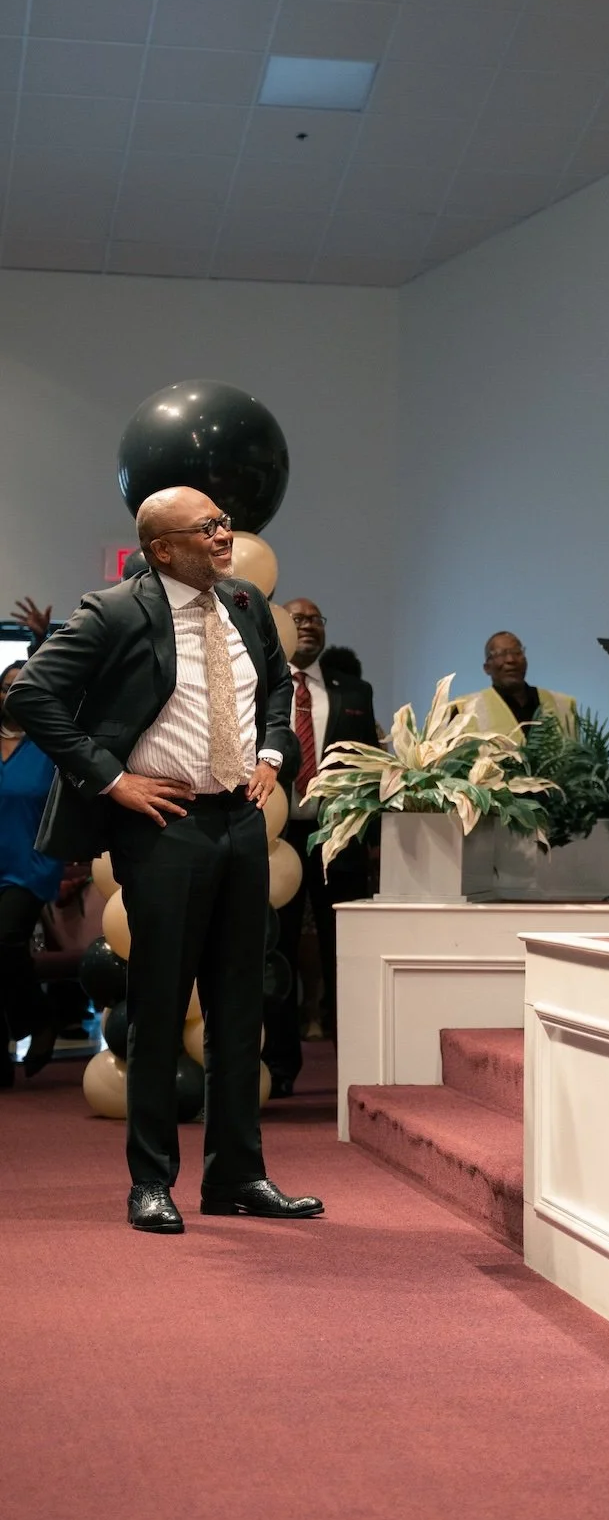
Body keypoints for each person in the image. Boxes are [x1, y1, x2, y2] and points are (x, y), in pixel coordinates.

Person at [8, 488, 322, 1234]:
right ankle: (151, 1182)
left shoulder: (245, 602)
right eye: (207, 527)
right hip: (164, 827)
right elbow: (34, 695)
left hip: (241, 820)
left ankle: (237, 1176)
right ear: (162, 550)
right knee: (157, 1008)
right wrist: (111, 778)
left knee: (239, 1008)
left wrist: (273, 752)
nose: (225, 535)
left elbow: (277, 686)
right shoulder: (115, 610)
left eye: (224, 522)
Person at [263, 598, 379, 1096]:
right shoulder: (262, 683)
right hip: (276, 838)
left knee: (344, 953)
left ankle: (353, 1064)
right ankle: (280, 1066)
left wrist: (371, 837)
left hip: (338, 836)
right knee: (279, 952)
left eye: (315, 619)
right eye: (298, 619)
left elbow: (369, 764)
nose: (308, 625)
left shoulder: (354, 691)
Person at [0, 659, 63, 1087]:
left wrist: (42, 642)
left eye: (21, 686)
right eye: (6, 686)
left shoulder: (48, 742)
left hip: (31, 865)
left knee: (5, 939)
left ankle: (39, 1020)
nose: (12, 694)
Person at [459, 632, 576, 737]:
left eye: (517, 652)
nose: (511, 659)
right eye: (500, 654)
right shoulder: (464, 709)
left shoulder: (564, 705)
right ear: (487, 668)